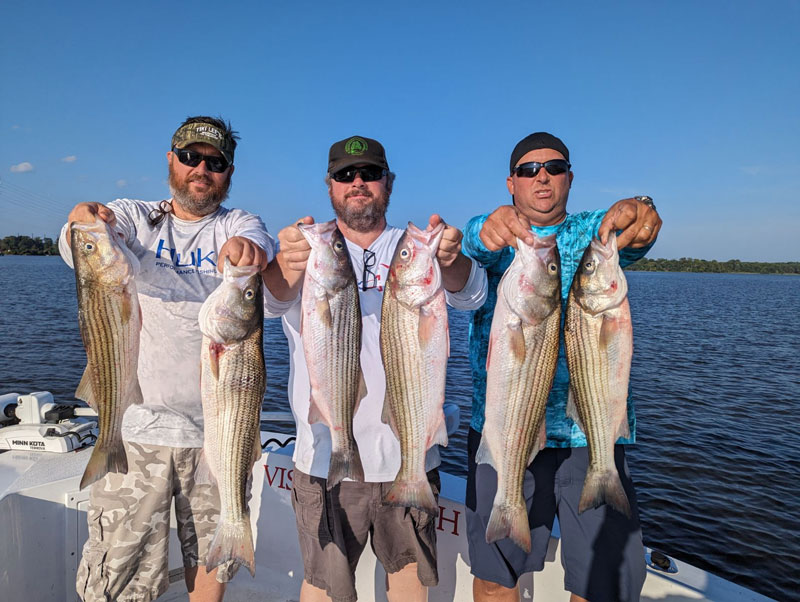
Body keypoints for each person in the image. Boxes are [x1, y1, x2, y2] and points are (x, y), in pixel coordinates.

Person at [59, 116, 279, 602]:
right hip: (135, 431)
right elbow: (82, 245)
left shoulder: (239, 223)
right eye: (190, 157)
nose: (201, 169)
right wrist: (81, 220)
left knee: (213, 563)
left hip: (217, 436)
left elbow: (259, 245)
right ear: (171, 160)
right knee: (118, 577)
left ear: (229, 172)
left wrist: (249, 252)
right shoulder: (134, 216)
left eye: (215, 162)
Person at [262, 135, 488, 602]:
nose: (358, 182)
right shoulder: (306, 252)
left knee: (408, 575)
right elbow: (266, 302)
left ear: (389, 182)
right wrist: (283, 263)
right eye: (345, 175)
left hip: (408, 453)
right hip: (324, 455)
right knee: (323, 585)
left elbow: (473, 295)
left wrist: (452, 260)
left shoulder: (413, 248)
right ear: (330, 185)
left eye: (370, 173)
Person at [462, 132, 662, 602]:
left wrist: (641, 208)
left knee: (601, 585)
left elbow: (637, 229)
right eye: (529, 170)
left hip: (589, 435)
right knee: (494, 578)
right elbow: (474, 240)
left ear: (569, 177)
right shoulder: (496, 235)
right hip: (504, 430)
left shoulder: (594, 233)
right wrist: (488, 227)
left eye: (554, 167)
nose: (542, 177)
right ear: (511, 182)